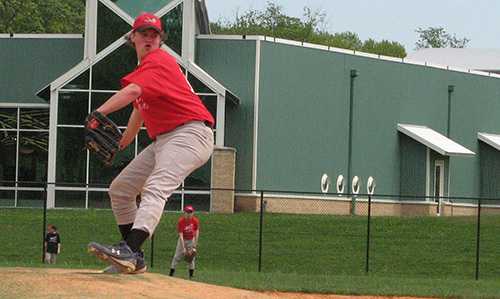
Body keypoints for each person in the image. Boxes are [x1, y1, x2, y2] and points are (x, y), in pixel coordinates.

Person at [87, 12, 214, 274]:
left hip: (189, 134)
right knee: (121, 190)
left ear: (160, 41)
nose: (149, 38)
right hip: (166, 140)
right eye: (143, 33)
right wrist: (123, 143)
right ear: (132, 37)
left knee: (155, 187)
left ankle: (130, 251)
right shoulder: (145, 71)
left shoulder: (157, 60)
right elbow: (139, 111)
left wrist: (98, 113)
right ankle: (136, 258)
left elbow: (133, 92)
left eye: (154, 34)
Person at [169, 205, 199, 279]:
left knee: (191, 258)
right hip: (182, 240)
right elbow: (181, 235)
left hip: (191, 240)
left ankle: (191, 276)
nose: (189, 214)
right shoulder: (181, 221)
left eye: (190, 212)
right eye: (187, 212)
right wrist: (183, 248)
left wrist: (194, 245)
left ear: (193, 213)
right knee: (176, 257)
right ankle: (171, 273)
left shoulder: (195, 220)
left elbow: (197, 231)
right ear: (184, 213)